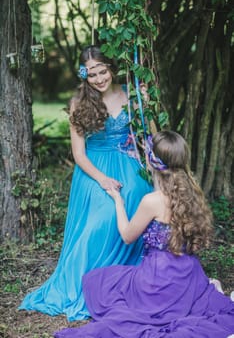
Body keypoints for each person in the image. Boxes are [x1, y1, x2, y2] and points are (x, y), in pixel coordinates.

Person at [54, 130, 234, 337]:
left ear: (151, 161)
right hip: (189, 275)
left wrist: (118, 202)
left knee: (99, 280)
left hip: (157, 279)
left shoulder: (152, 201)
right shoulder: (192, 192)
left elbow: (127, 236)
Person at [18, 45, 153, 321]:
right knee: (99, 222)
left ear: (112, 68)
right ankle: (89, 283)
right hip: (94, 169)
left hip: (128, 163)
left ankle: (125, 278)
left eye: (103, 71)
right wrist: (103, 180)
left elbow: (148, 137)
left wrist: (145, 105)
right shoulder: (79, 104)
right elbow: (79, 155)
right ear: (84, 76)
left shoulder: (132, 95)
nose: (100, 78)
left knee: (138, 199)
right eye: (92, 74)